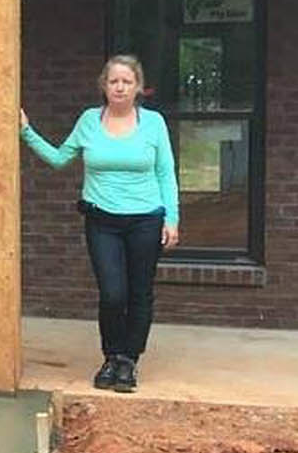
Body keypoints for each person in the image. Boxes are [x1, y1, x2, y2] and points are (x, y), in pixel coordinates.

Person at [20, 54, 180, 393]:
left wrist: (172, 219)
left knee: (139, 292)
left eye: (127, 81)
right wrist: (26, 132)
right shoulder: (90, 121)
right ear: (104, 87)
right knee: (112, 293)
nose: (120, 87)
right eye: (113, 81)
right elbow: (60, 158)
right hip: (101, 221)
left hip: (146, 220)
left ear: (138, 87)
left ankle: (129, 361)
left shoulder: (153, 124)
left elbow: (166, 173)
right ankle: (111, 355)